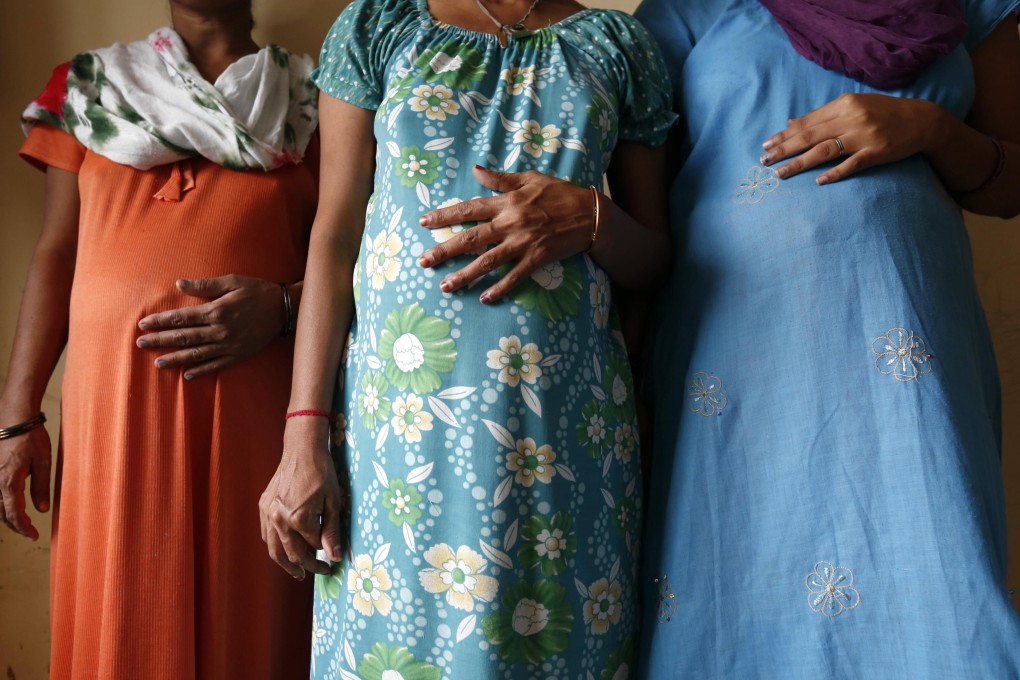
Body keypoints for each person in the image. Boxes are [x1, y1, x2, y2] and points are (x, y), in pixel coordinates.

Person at [375, 0, 1020, 676]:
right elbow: (636, 203)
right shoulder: (685, 10)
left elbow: (1010, 184)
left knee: (936, 581)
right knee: (739, 589)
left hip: (910, 340)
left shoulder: (971, 5)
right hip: (735, 355)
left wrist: (931, 128)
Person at [256, 0, 675, 675]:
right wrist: (302, 437)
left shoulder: (616, 45)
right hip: (399, 441)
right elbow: (333, 240)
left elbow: (654, 260)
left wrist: (593, 217)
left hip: (564, 440)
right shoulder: (380, 25)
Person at [0, 1, 318, 677]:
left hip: (255, 427)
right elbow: (57, 254)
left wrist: (285, 306)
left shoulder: (313, 102)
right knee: (118, 617)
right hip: (110, 425)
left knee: (247, 624)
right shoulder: (89, 88)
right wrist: (16, 419)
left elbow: (353, 259)